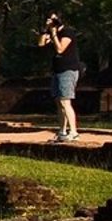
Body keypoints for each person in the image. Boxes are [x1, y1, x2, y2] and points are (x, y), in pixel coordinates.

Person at [38, 12, 82, 142]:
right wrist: (45, 31)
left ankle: (73, 132)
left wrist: (54, 34)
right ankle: (62, 131)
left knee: (65, 101)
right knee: (59, 102)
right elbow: (41, 44)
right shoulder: (52, 32)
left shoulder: (68, 32)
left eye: (52, 19)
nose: (49, 21)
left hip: (68, 70)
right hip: (57, 71)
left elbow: (60, 49)